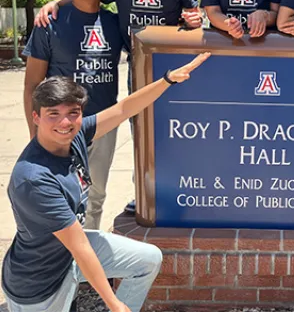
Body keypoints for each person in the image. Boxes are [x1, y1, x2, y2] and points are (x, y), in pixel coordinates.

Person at [2, 52, 211, 312]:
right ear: (36, 117)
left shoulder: (72, 136)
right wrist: (114, 303)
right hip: (39, 285)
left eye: (73, 113)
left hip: (68, 257)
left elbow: (123, 109)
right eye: (53, 114)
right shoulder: (34, 179)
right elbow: (79, 245)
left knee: (147, 260)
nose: (65, 122)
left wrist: (168, 80)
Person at [35, 0, 203, 214]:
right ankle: (144, 193)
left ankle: (174, 193)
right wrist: (55, 2)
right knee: (142, 132)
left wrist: (195, 19)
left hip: (172, 71)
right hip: (138, 71)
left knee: (174, 132)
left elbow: (193, 21)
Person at [23, 0, 124, 231]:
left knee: (95, 196)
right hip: (61, 123)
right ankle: (60, 262)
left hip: (103, 123)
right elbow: (32, 83)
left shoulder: (115, 23)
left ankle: (84, 264)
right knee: (59, 196)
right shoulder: (50, 23)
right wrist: (36, 132)